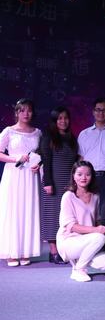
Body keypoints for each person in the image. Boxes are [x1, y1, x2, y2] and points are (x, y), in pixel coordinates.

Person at [0, 99, 42, 267]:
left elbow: (41, 154)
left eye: (29, 110)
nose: (26, 114)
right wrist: (15, 158)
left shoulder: (37, 132)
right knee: (13, 210)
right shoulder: (9, 131)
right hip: (13, 174)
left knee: (28, 210)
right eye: (22, 110)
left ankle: (25, 250)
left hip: (30, 176)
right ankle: (11, 251)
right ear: (17, 113)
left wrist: (39, 164)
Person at [55, 161, 105, 281]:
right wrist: (96, 230)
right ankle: (78, 269)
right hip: (68, 241)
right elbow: (72, 226)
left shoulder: (95, 196)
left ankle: (78, 260)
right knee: (99, 237)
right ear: (73, 176)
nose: (83, 178)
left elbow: (96, 220)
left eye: (88, 174)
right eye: (79, 174)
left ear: (92, 177)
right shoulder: (68, 196)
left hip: (87, 239)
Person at [39, 106, 79, 264]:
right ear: (54, 121)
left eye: (66, 118)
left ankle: (64, 250)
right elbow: (46, 161)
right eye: (59, 118)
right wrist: (48, 183)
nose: (63, 121)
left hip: (68, 183)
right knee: (52, 216)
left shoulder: (71, 138)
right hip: (53, 182)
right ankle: (53, 252)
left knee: (66, 217)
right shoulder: (48, 137)